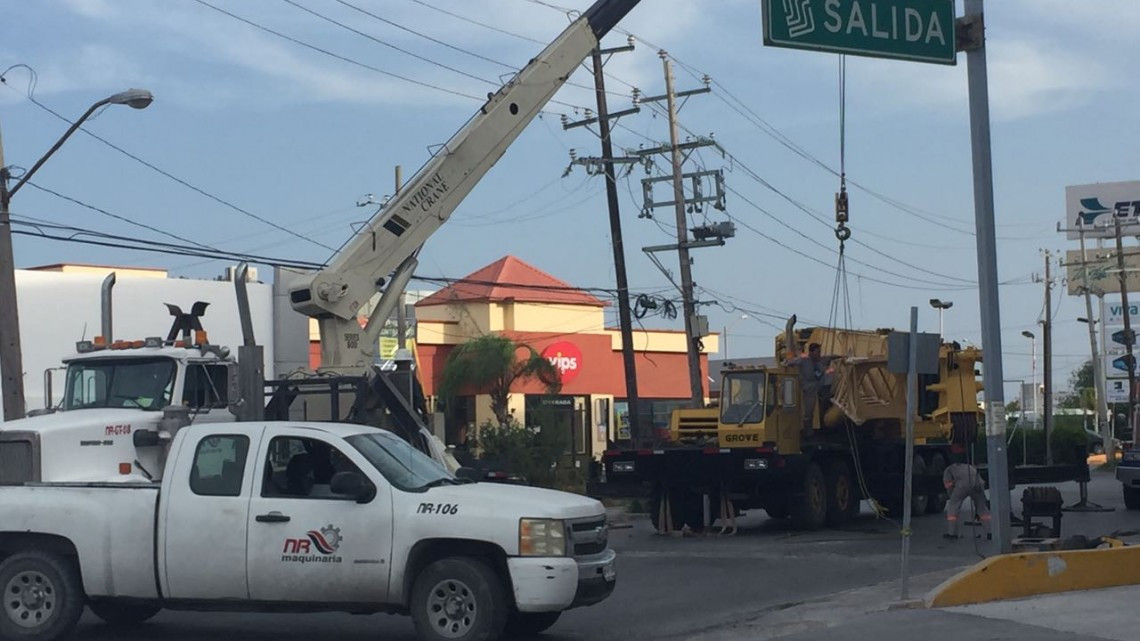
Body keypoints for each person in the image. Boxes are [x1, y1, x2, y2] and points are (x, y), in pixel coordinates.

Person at [785, 342, 834, 441]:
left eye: (819, 352)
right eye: (817, 352)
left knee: (821, 406)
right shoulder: (804, 360)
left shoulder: (820, 362)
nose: (819, 354)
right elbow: (789, 362)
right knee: (808, 411)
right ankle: (807, 433)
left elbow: (828, 360)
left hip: (819, 387)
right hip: (808, 388)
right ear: (811, 352)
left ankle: (820, 428)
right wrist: (787, 363)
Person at [943, 450, 991, 540]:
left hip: (962, 486)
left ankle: (952, 533)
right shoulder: (970, 467)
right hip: (978, 484)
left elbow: (948, 485)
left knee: (953, 508)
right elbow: (979, 481)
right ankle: (990, 532)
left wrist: (951, 497)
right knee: (982, 509)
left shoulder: (949, 470)